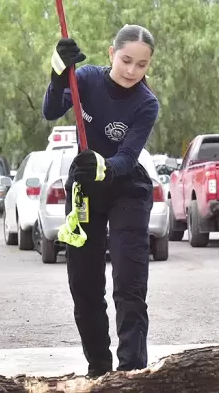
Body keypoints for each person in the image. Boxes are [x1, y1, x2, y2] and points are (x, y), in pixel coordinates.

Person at [42, 24, 159, 377]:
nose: (132, 71)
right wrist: (58, 72)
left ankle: (130, 372)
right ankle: (99, 369)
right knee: (85, 285)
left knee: (129, 284)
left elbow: (126, 158)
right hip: (84, 193)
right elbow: (50, 110)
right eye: (126, 61)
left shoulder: (146, 103)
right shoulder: (87, 79)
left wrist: (102, 165)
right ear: (112, 53)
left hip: (127, 190)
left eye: (141, 65)